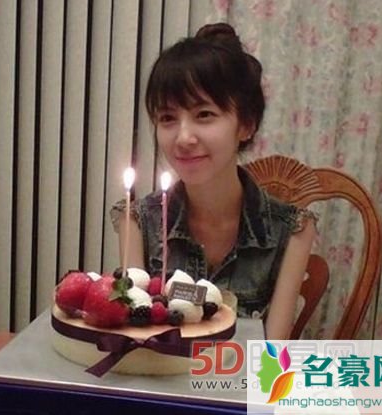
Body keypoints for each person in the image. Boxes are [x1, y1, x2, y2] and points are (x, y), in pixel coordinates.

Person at [111, 23, 316, 340]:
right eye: (167, 118)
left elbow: (272, 356)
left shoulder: (292, 230)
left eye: (204, 114)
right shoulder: (138, 221)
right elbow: (138, 341)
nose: (183, 138)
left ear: (246, 124)